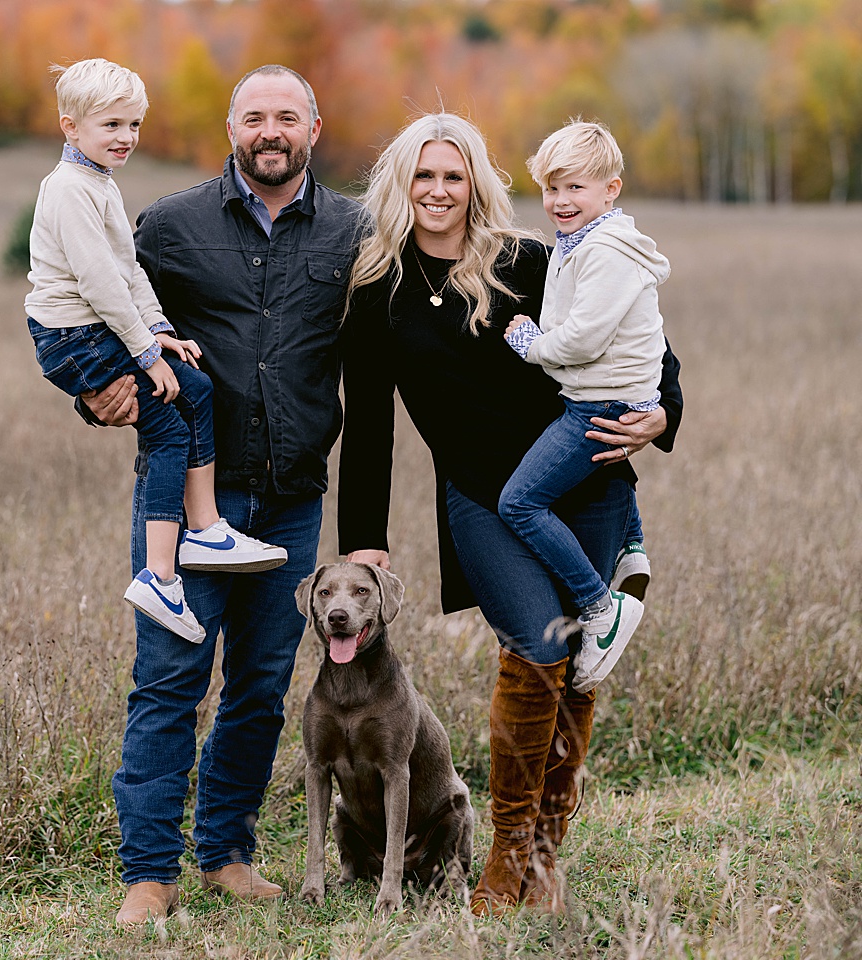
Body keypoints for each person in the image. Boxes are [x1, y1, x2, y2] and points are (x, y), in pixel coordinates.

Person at [335, 113, 682, 917]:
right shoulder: (376, 287)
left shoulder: (528, 259)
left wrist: (663, 409)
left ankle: (545, 859)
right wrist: (365, 539)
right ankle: (504, 854)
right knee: (536, 642)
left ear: (476, 183)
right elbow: (372, 422)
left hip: (585, 473)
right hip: (481, 497)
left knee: (580, 662)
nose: (438, 191)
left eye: (453, 175)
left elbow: (641, 332)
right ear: (401, 183)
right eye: (423, 175)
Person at [78, 64, 364, 925]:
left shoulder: (356, 231)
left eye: (286, 117)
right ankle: (149, 874)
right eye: (253, 117)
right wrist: (92, 392)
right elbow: (92, 302)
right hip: (186, 499)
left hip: (291, 498)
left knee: (261, 683)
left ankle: (227, 852)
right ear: (231, 127)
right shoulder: (168, 226)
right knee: (169, 680)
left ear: (314, 126)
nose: (269, 131)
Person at [25, 59, 287, 645]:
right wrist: (146, 356)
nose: (126, 138)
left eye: (134, 125)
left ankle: (207, 528)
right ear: (70, 127)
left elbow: (130, 273)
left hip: (100, 329)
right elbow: (98, 283)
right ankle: (159, 575)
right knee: (168, 429)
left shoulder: (100, 184)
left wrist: (160, 330)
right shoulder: (68, 189)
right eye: (110, 125)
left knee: (195, 386)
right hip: (74, 336)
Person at [498, 119, 670, 694]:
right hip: (608, 393)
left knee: (519, 502)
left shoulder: (605, 252)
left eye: (576, 187)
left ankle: (601, 609)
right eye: (552, 188)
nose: (560, 201)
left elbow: (581, 339)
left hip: (601, 400)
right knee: (589, 469)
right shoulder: (584, 244)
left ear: (611, 190)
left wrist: (528, 342)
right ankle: (632, 549)